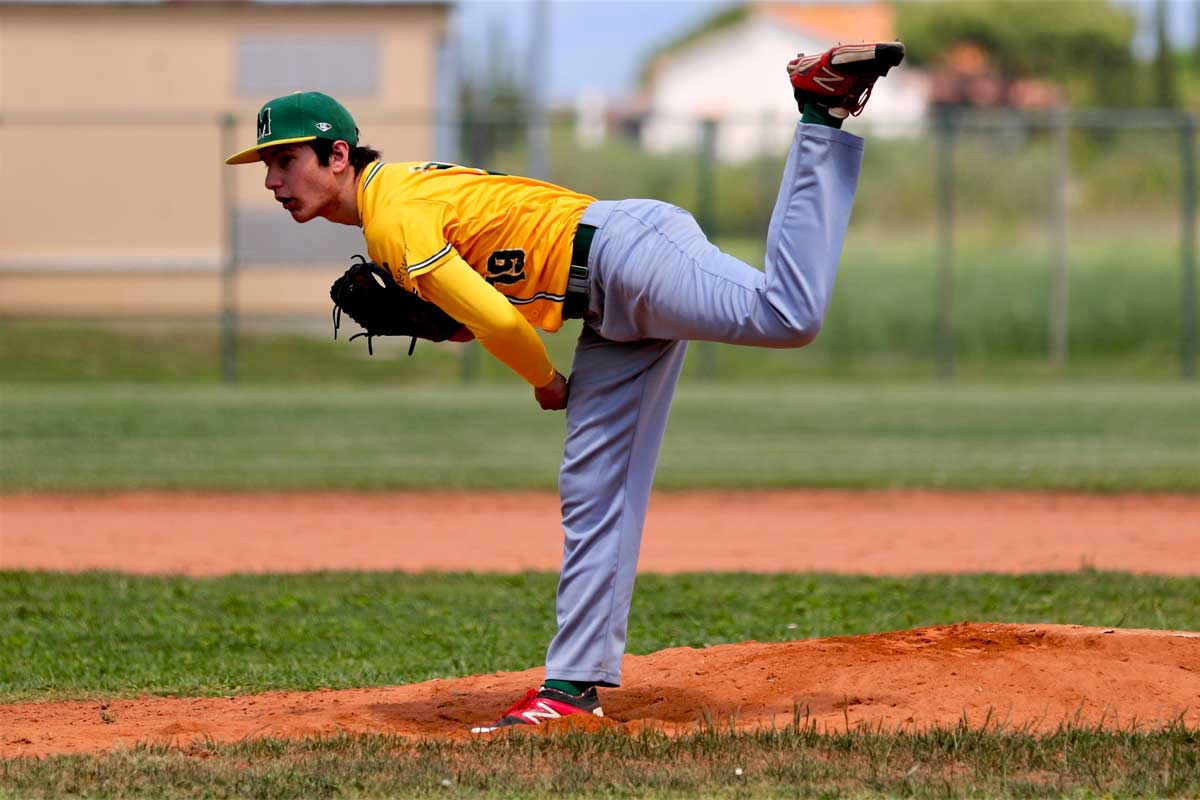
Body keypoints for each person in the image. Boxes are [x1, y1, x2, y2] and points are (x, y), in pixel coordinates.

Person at [225, 41, 905, 732]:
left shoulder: (393, 218)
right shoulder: (396, 197)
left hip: (624, 253)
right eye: (266, 165)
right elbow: (483, 309)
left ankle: (818, 112)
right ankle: (571, 690)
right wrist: (440, 323)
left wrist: (547, 381)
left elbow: (497, 319)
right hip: (605, 301)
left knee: (786, 314)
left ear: (337, 155)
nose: (272, 180)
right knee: (593, 485)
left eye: (286, 160)